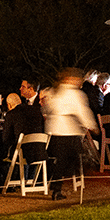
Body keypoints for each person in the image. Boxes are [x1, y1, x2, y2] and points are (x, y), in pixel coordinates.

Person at [44, 68, 98, 200]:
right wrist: (92, 126)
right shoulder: (75, 94)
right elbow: (82, 111)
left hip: (54, 131)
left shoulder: (55, 92)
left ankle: (56, 186)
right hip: (68, 131)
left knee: (60, 161)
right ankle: (57, 185)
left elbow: (47, 107)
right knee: (76, 159)